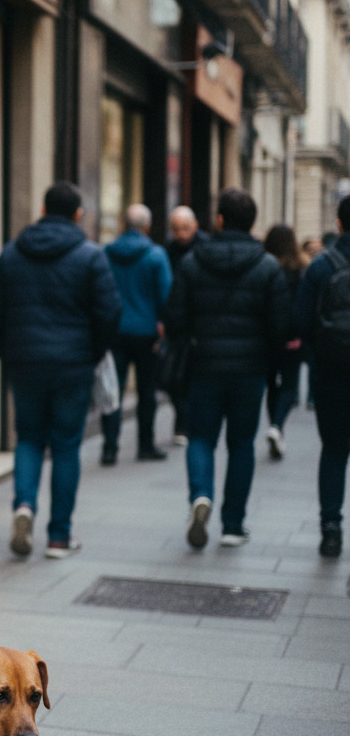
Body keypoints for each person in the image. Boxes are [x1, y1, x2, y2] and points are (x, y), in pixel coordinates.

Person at [0, 181, 121, 559]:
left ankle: (24, 505)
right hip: (72, 366)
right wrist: (91, 353)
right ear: (78, 214)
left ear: (43, 211)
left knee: (28, 439)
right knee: (65, 446)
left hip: (25, 364)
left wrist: (10, 353)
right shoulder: (91, 256)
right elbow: (109, 314)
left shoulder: (12, 254)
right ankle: (59, 537)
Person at [163, 188, 288, 549]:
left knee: (200, 438)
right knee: (241, 444)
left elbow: (174, 318)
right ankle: (233, 525)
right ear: (252, 223)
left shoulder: (193, 262)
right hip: (250, 370)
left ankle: (200, 496)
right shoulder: (268, 267)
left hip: (204, 366)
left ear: (218, 220)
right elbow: (280, 327)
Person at [292, 196, 350, 558]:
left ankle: (331, 527)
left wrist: (317, 360)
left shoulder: (322, 265)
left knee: (333, 451)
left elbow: (300, 322)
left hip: (332, 373)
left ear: (339, 224)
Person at [100, 203, 173, 464]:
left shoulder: (106, 252)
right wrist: (164, 325)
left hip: (115, 331)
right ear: (147, 226)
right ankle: (145, 445)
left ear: (122, 224)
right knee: (147, 392)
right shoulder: (156, 255)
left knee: (113, 391)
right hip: (147, 332)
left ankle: (109, 448)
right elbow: (166, 296)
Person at [261, 224, 306, 460]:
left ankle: (275, 428)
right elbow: (304, 305)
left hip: (267, 338)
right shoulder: (301, 269)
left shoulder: (263, 266)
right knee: (289, 385)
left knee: (271, 385)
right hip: (292, 338)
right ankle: (277, 427)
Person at [166, 206, 208, 444]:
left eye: (185, 228)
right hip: (178, 323)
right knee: (175, 377)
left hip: (198, 322)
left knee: (191, 377)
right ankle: (183, 420)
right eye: (175, 229)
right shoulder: (168, 251)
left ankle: (187, 423)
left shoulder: (205, 249)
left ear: (195, 226)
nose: (180, 234)